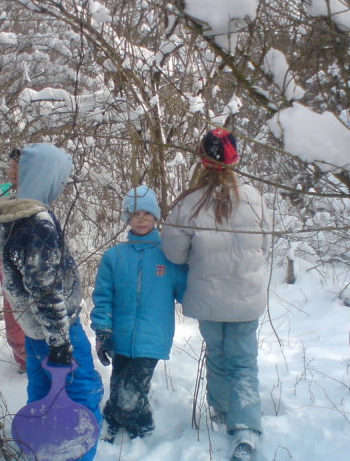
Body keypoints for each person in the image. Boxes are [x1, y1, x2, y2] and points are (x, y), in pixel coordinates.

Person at [0, 143, 103, 460]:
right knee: (81, 395)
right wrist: (60, 341)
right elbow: (43, 288)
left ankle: (42, 451)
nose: (61, 185)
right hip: (57, 331)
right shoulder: (39, 223)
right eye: (60, 178)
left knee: (41, 395)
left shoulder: (15, 217)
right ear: (45, 177)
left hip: (34, 331)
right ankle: (76, 456)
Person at [161, 128, 271, 461]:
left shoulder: (189, 203)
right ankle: (245, 427)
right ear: (235, 159)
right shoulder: (254, 198)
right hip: (247, 297)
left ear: (203, 159)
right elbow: (266, 244)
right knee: (243, 362)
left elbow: (174, 253)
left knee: (218, 355)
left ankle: (222, 411)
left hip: (208, 299)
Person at [90, 185, 187, 442]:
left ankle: (131, 421)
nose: (141, 219)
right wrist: (102, 329)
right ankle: (128, 422)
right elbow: (103, 296)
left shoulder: (170, 255)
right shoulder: (114, 257)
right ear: (127, 218)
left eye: (146, 213)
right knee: (119, 383)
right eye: (134, 214)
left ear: (155, 216)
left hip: (152, 337)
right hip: (119, 336)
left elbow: (186, 292)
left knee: (130, 390)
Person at [0, 149, 27, 371]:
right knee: (11, 312)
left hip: (24, 260)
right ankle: (23, 359)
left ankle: (32, 359)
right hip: (5, 258)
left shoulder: (34, 196)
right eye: (10, 166)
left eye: (16, 167)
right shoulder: (3, 193)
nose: (11, 171)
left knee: (24, 309)